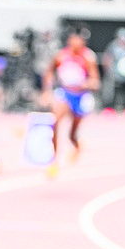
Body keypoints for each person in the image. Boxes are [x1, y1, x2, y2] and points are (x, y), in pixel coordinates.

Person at [41, 24, 100, 176]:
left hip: (80, 97)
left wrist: (84, 84)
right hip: (65, 94)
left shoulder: (88, 57)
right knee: (54, 122)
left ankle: (78, 146)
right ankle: (53, 160)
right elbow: (48, 73)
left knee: (72, 135)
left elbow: (95, 81)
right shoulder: (61, 55)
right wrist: (46, 92)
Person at [101, 27, 125, 112]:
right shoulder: (112, 47)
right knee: (112, 91)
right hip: (114, 74)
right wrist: (108, 70)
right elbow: (107, 58)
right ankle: (109, 108)